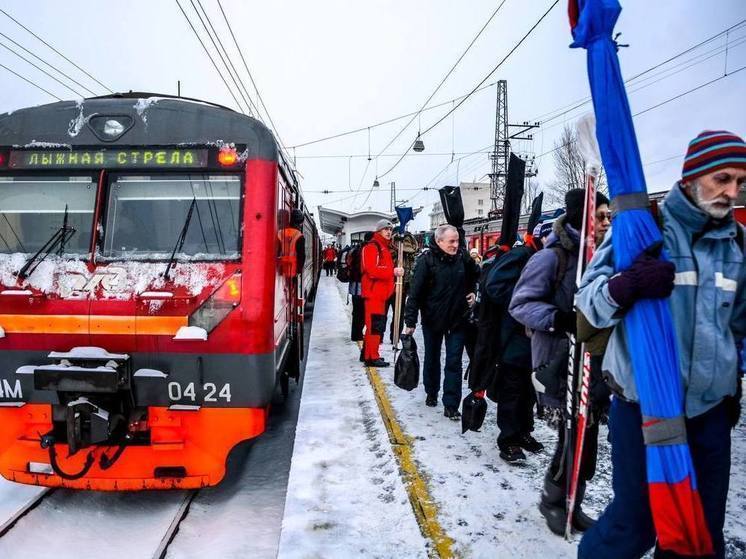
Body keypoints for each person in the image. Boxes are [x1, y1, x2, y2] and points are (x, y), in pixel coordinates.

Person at [577, 131, 746, 559]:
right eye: (722, 179)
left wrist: (733, 379)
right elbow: (588, 306)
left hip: (709, 413)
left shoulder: (737, 247)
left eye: (739, 182)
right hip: (642, 407)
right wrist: (627, 285)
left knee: (698, 534)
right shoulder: (642, 228)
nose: (732, 192)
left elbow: (738, 327)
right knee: (635, 527)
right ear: (692, 176)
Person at [509, 189, 610, 534]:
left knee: (588, 438)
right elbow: (520, 304)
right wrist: (559, 318)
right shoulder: (553, 257)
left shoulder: (603, 257)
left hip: (594, 362)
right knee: (571, 437)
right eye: (600, 216)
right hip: (559, 362)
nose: (607, 222)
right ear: (583, 217)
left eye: (609, 216)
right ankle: (554, 501)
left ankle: (573, 502)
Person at [480, 229, 545, 463]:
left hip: (534, 337)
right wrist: (524, 299)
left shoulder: (543, 256)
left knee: (529, 390)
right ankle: (508, 440)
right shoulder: (521, 255)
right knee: (512, 389)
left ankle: (524, 432)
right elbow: (494, 287)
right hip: (514, 335)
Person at [403, 224, 480, 419]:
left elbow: (476, 275)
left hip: (458, 319)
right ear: (439, 241)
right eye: (451, 241)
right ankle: (431, 391)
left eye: (457, 241)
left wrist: (472, 291)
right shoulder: (426, 261)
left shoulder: (463, 258)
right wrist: (410, 321)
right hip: (432, 319)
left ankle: (451, 404)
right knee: (432, 357)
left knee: (454, 362)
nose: (456, 245)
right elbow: (415, 293)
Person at [362, 220, 403, 367]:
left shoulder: (383, 247)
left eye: (390, 230)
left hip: (379, 294)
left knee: (374, 326)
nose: (389, 232)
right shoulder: (373, 247)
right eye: (385, 229)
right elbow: (371, 270)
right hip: (374, 295)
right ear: (378, 231)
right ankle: (372, 356)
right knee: (375, 327)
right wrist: (392, 271)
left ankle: (368, 355)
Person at [348, 235, 371, 343]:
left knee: (356, 311)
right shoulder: (365, 251)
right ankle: (357, 335)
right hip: (361, 285)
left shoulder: (356, 249)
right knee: (361, 311)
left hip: (354, 285)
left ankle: (355, 334)